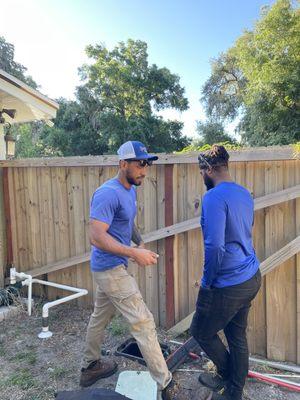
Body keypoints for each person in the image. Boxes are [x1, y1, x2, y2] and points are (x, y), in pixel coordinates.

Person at [80, 141, 175, 399]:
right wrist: (135, 253)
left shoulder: (130, 190)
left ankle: (90, 367)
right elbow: (97, 237)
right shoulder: (107, 193)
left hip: (112, 266)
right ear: (123, 164)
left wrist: (139, 241)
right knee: (143, 322)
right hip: (110, 269)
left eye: (147, 164)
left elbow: (127, 220)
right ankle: (167, 386)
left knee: (99, 318)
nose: (145, 170)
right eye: (140, 164)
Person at [190, 145, 261, 400]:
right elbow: (244, 231)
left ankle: (228, 376)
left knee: (200, 331)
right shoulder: (244, 193)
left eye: (201, 172)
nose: (202, 177)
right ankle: (234, 390)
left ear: (209, 169)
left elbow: (215, 245)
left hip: (228, 283)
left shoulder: (213, 197)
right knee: (236, 335)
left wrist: (207, 283)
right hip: (251, 276)